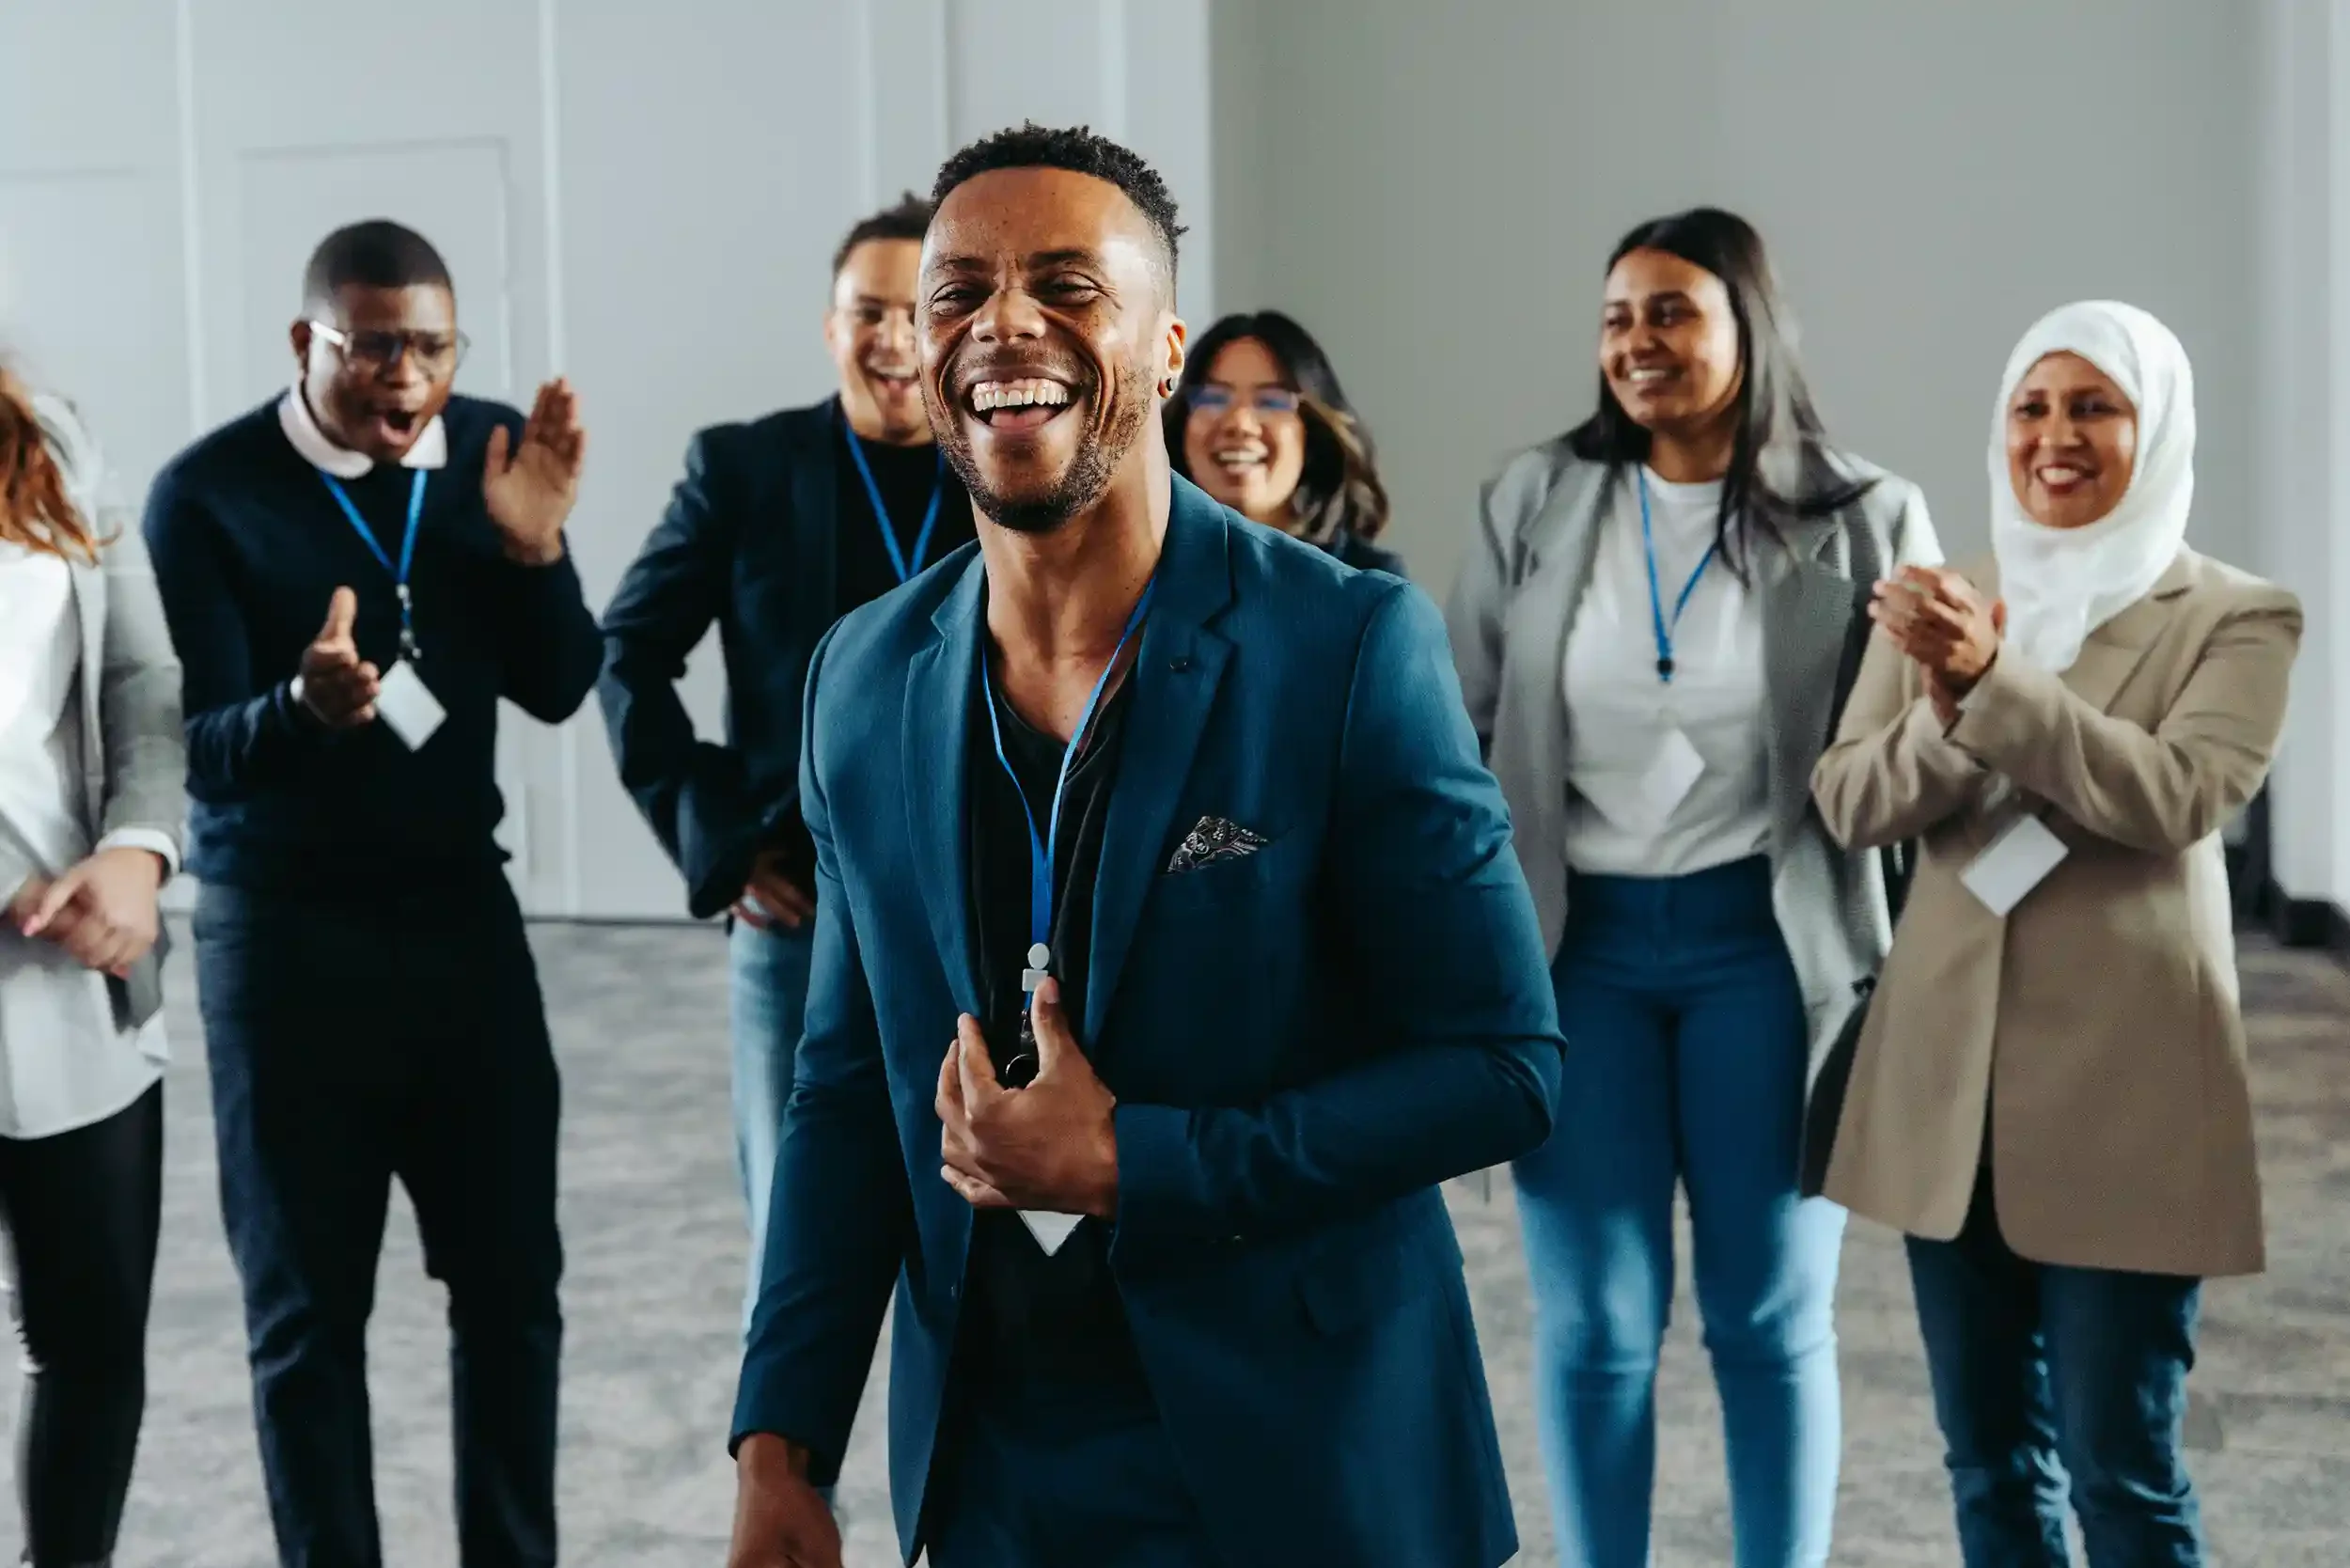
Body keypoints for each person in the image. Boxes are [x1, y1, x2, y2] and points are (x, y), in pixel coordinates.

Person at [724, 123, 1564, 1568]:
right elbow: (844, 1087)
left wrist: (1135, 1163)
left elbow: (1502, 1070)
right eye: (959, 292)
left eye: (1066, 285)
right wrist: (780, 1441)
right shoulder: (857, 677)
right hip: (995, 1467)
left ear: (1165, 351)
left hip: (1308, 1462)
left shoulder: (1345, 646)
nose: (1004, 326)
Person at [1445, 207, 1936, 1568]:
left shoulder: (1864, 515)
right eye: (1616, 318)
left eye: (1672, 312)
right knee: (1596, 1328)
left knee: (1767, 1321)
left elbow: (1909, 753)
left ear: (1747, 329)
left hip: (1768, 956)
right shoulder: (1534, 499)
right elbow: (1466, 727)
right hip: (1575, 957)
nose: (1637, 343)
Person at [1810, 300, 2297, 1568]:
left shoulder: (2238, 617)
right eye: (2032, 406)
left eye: (2095, 406)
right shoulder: (1946, 600)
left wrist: (1991, 684)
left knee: (2120, 1472)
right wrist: (1946, 701)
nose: (2055, 436)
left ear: (2159, 426)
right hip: (1946, 1097)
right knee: (1987, 1468)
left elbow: (2175, 798)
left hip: (2128, 1096)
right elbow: (1853, 803)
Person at [143, 219, 600, 1568]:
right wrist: (304, 707)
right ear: (308, 343)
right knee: (304, 1319)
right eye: (373, 347)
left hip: (463, 927)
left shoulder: (498, 452)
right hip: (283, 951)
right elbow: (201, 752)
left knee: (515, 1292)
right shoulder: (208, 495)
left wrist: (534, 553)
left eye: (432, 349)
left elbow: (561, 683)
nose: (406, 380)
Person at [597, 192, 975, 1333]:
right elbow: (629, 652)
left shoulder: (1010, 466)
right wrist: (722, 841)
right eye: (869, 312)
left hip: (975, 903)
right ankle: (789, 1481)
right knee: (795, 1241)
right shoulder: (744, 468)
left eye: (920, 313)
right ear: (829, 327)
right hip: (798, 910)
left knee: (974, 1224)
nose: (895, 343)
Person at [0, 375, 183, 1568]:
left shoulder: (46, 429)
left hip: (72, 980)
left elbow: (142, 683)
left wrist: (138, 850)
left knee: (92, 1346)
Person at [1164, 309, 1403, 574]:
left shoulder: (1371, 591)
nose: (1239, 423)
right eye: (1214, 398)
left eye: (1270, 401)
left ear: (1313, 432)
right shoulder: (1141, 576)